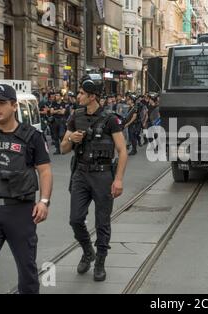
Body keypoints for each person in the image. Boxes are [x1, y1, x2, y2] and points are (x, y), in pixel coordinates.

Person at [0, 84, 53, 294]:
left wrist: (44, 202)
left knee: (27, 270)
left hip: (20, 210)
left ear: (13, 105)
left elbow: (44, 171)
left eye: (1, 103)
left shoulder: (32, 136)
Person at [60, 75, 128, 282]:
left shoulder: (110, 119)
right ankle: (88, 251)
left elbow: (122, 150)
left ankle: (100, 261)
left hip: (103, 175)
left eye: (81, 93)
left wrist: (118, 180)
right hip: (81, 174)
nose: (77, 96)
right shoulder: (75, 116)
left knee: (102, 222)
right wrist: (71, 138)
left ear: (92, 96)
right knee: (75, 219)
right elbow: (63, 148)